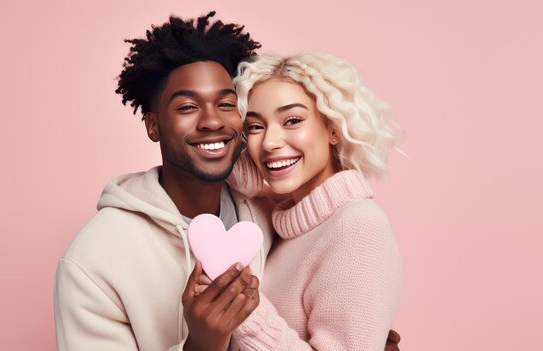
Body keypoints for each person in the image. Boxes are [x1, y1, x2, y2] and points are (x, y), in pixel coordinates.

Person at [53, 12, 402, 351]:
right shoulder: (94, 259)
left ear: (332, 128)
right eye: (188, 107)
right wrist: (200, 346)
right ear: (153, 125)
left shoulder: (270, 214)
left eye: (225, 105)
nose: (212, 122)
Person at [212, 53, 403, 350]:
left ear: (333, 129)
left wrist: (247, 311)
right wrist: (240, 171)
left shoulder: (358, 226)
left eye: (292, 121)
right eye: (255, 127)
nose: (270, 142)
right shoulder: (284, 225)